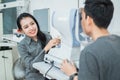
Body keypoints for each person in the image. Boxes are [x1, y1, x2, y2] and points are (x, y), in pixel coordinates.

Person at [61, 0, 120, 80]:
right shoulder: (117, 41)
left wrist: (72, 74)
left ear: (88, 20)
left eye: (82, 18)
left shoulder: (89, 53)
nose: (81, 22)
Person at [17, 13, 60, 80]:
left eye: (32, 23)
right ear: (21, 31)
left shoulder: (47, 37)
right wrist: (46, 48)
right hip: (34, 77)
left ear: (36, 23)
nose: (31, 28)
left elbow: (54, 57)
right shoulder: (21, 46)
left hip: (50, 75)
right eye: (26, 27)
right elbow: (32, 67)